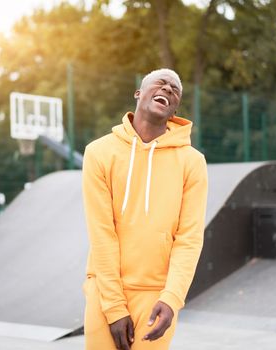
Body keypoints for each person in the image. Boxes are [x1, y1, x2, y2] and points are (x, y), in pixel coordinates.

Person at [82, 68, 208, 350]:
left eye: (175, 89)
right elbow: (102, 234)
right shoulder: (99, 152)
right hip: (106, 290)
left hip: (157, 296)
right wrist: (114, 306)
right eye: (160, 83)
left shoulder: (192, 162)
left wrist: (172, 298)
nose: (168, 89)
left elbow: (189, 238)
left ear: (175, 107)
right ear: (139, 93)